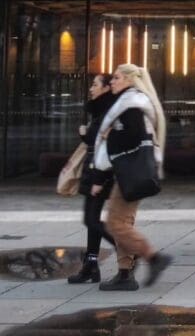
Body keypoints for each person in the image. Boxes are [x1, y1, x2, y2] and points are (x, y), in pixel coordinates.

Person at [91, 64, 172, 291]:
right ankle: (125, 273)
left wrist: (109, 136)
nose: (112, 82)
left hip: (131, 173)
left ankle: (153, 257)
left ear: (128, 79)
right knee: (122, 222)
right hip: (130, 172)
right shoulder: (132, 103)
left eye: (116, 78)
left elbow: (129, 138)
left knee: (115, 224)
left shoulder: (131, 106)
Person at [67, 74, 117, 284]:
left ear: (106, 88)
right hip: (94, 169)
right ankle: (91, 265)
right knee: (91, 218)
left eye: (95, 84)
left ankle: (128, 247)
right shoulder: (99, 110)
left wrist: (99, 179)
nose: (91, 88)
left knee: (90, 219)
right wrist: (85, 135)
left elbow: (105, 145)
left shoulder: (107, 111)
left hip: (100, 171)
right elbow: (95, 140)